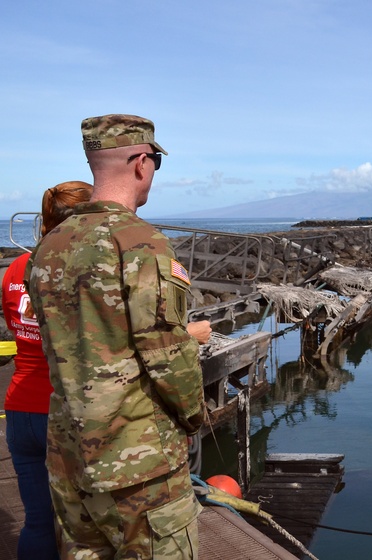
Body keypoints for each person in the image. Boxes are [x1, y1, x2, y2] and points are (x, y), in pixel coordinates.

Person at [28, 114, 208, 558]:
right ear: (141, 162)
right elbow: (166, 353)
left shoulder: (49, 246)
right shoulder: (141, 242)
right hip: (141, 466)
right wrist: (194, 418)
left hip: (70, 458)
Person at [3, 180, 93, 560]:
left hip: (20, 408)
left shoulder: (15, 269)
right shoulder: (78, 270)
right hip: (64, 412)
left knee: (37, 522)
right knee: (86, 527)